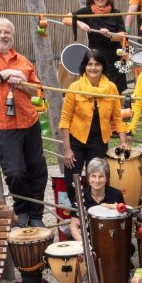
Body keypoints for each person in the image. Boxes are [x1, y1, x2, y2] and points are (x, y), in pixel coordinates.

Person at [0, 17, 48, 228]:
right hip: (3, 125)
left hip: (29, 121)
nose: (2, 36)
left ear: (13, 36)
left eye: (7, 33)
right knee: (15, 172)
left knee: (37, 170)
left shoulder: (23, 60)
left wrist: (22, 84)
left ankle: (36, 214)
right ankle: (22, 209)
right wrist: (4, 75)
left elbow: (38, 90)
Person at [59, 49, 128, 203]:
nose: (93, 68)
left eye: (97, 64)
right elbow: (65, 120)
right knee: (72, 182)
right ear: (84, 66)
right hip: (76, 142)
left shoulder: (111, 88)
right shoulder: (74, 87)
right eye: (90, 64)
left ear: (103, 66)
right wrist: (67, 149)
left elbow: (118, 117)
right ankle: (78, 214)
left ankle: (97, 215)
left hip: (99, 142)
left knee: (98, 181)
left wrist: (123, 142)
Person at [64, 0, 129, 92]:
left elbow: (123, 36)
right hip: (96, 59)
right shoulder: (88, 11)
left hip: (116, 58)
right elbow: (65, 19)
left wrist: (110, 35)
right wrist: (80, 23)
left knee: (117, 91)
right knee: (95, 90)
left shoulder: (115, 12)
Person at [69, 158, 125, 242]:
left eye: (101, 176)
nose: (97, 180)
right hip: (88, 239)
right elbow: (74, 226)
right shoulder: (80, 195)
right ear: (88, 178)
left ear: (107, 178)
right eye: (93, 176)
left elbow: (123, 222)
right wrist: (84, 243)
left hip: (111, 239)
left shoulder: (116, 194)